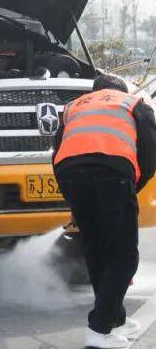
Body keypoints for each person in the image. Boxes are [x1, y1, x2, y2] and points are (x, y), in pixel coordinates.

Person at [53, 73, 156, 349]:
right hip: (112, 173)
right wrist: (133, 186)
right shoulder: (133, 104)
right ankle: (99, 330)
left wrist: (70, 191)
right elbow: (149, 154)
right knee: (124, 256)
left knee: (97, 250)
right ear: (121, 89)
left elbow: (57, 150)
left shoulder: (74, 107)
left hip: (69, 175)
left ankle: (115, 320)